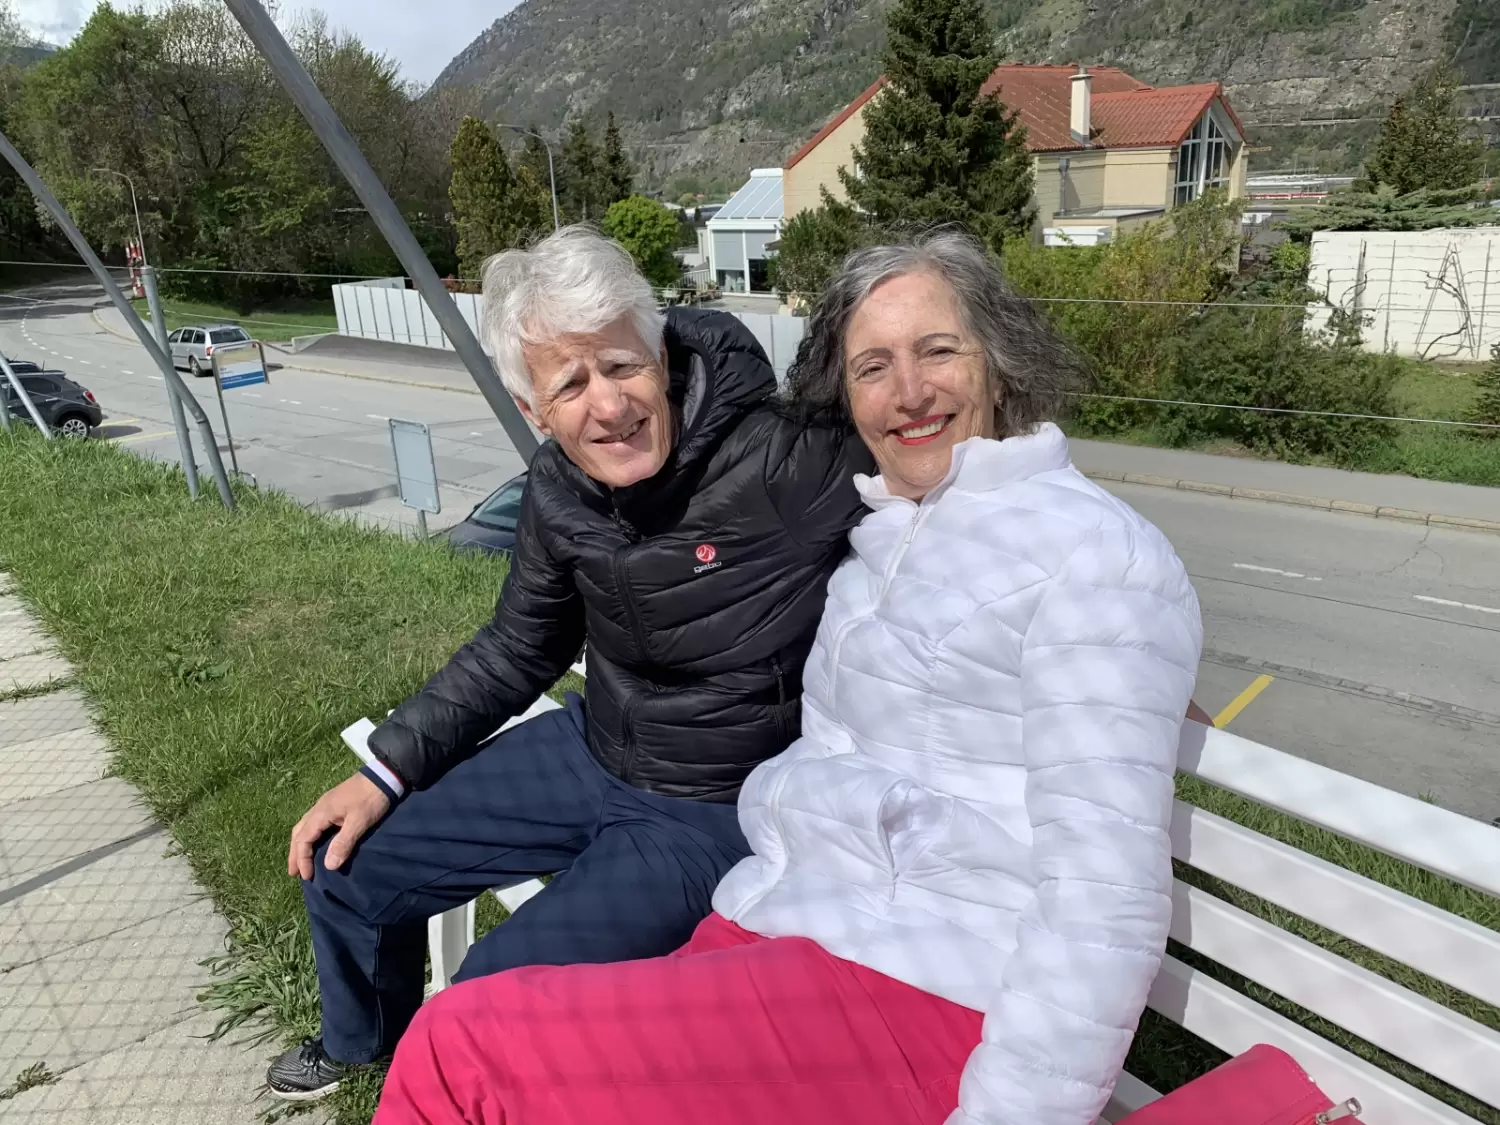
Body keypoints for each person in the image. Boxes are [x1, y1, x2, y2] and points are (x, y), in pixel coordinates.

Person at [372, 228, 1204, 1125]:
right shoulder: (885, 529)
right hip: (786, 922)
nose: (909, 392)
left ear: (1000, 361)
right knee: (495, 1030)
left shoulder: (1090, 554)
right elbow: (525, 637)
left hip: (926, 983)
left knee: (459, 1046)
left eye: (938, 351)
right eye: (872, 367)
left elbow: (1103, 900)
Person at [265, 226, 870, 1101]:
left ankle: (450, 1080)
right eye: (572, 384)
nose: (609, 404)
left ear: (661, 358)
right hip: (593, 748)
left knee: (488, 993)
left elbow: (931, 452)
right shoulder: (558, 488)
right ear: (534, 411)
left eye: (623, 366)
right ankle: (362, 1048)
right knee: (342, 867)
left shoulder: (783, 456)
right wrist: (384, 772)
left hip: (709, 804)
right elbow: (520, 646)